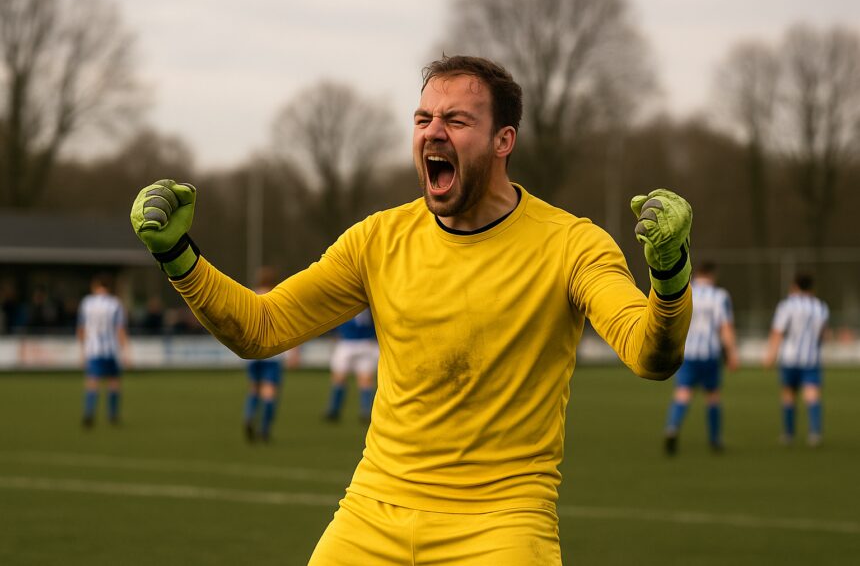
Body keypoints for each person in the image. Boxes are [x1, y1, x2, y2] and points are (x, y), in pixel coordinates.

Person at [130, 55, 693, 565]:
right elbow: (261, 328)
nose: (433, 133)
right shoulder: (378, 239)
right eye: (423, 120)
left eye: (456, 120)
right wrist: (179, 256)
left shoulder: (573, 244)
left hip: (502, 525)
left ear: (503, 141)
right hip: (373, 511)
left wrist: (668, 276)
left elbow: (650, 354)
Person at [663, 261, 739, 455]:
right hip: (710, 354)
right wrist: (731, 353)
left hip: (687, 352)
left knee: (683, 393)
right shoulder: (720, 296)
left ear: (697, 273)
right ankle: (714, 440)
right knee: (712, 396)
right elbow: (725, 327)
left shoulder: (686, 291)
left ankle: (672, 428)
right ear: (713, 275)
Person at [764, 272, 829, 447]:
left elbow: (778, 332)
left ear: (794, 286)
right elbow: (823, 335)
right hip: (811, 358)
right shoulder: (821, 307)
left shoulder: (787, 306)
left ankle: (789, 434)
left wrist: (771, 355)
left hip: (790, 358)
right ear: (812, 288)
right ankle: (814, 434)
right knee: (812, 394)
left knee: (788, 394)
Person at [243, 267, 299, 443]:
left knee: (254, 388)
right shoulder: (278, 298)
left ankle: (249, 415)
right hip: (273, 353)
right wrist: (294, 352)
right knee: (269, 393)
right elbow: (288, 327)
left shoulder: (249, 297)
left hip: (252, 352)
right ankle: (264, 430)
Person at [78, 274, 129, 427]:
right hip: (111, 349)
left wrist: (82, 350)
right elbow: (120, 329)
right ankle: (113, 416)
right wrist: (126, 351)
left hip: (93, 349)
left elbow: (81, 329)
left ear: (95, 286)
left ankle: (89, 414)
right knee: (113, 381)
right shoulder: (115, 304)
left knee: (92, 381)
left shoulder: (87, 303)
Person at [323, 308, 379, 424]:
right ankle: (334, 410)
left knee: (366, 379)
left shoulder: (372, 304)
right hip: (347, 342)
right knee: (339, 377)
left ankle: (366, 411)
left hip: (366, 342)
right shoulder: (346, 301)